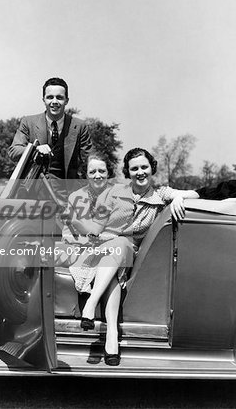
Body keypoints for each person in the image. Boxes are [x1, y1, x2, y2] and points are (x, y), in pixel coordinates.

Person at [74, 148, 199, 365]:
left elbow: (195, 194)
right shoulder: (115, 192)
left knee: (121, 249)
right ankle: (111, 336)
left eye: (144, 167)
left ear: (152, 169)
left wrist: (178, 197)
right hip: (103, 249)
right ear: (127, 172)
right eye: (134, 169)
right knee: (117, 251)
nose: (140, 172)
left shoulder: (160, 194)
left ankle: (91, 305)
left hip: (126, 254)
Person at [59, 152, 133, 366]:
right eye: (93, 171)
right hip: (85, 249)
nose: (98, 175)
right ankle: (111, 337)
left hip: (112, 247)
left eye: (102, 171)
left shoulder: (119, 194)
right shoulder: (75, 197)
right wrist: (81, 239)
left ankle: (94, 314)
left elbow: (123, 225)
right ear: (86, 174)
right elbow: (67, 230)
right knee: (110, 272)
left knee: (111, 259)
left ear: (109, 173)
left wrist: (104, 237)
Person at [8, 77, 92, 192]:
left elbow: (90, 160)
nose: (54, 102)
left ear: (66, 100)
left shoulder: (80, 126)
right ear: (43, 100)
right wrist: (35, 149)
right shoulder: (28, 122)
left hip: (67, 196)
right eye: (50, 97)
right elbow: (13, 151)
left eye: (59, 97)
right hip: (32, 195)